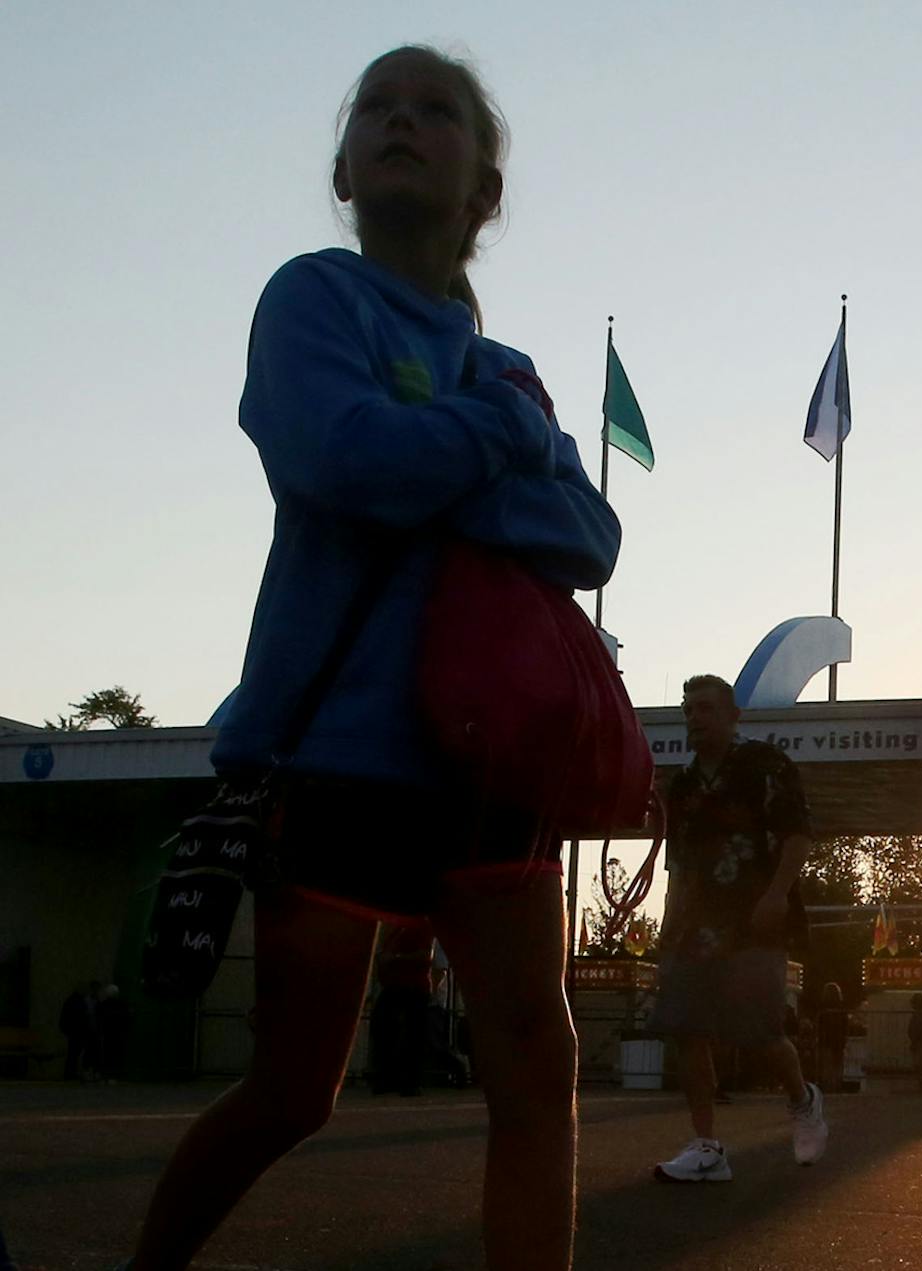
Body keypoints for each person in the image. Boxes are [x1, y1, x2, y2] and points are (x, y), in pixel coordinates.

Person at [127, 46, 618, 1271]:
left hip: (490, 759)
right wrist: (492, 443)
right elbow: (335, 460)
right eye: (378, 109)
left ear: (485, 190)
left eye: (436, 111)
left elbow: (590, 533)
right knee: (295, 1088)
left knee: (536, 1067)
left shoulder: (510, 368)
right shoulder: (316, 300)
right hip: (335, 751)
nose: (403, 121)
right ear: (345, 170)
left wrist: (430, 455)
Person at [650, 675, 829, 1182]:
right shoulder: (683, 785)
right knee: (686, 1027)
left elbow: (797, 835)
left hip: (754, 919)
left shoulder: (764, 764)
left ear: (733, 716)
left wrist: (776, 894)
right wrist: (669, 922)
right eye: (688, 710)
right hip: (697, 923)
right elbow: (679, 862)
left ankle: (802, 1099)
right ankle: (707, 1146)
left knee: (759, 1031)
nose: (694, 718)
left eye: (706, 709)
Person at [368, 923, 436, 1096]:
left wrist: (394, 958)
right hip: (395, 986)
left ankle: (409, 1081)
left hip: (412, 987)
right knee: (385, 1028)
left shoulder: (420, 927)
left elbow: (425, 955)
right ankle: (390, 1078)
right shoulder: (397, 931)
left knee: (413, 1034)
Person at [59, 980, 99, 1082]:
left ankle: (70, 1073)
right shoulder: (79, 1002)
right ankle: (71, 1074)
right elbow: (80, 1017)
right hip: (77, 1031)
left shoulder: (74, 1001)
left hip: (75, 1031)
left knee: (73, 1053)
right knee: (74, 1053)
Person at [815, 982, 850, 1093]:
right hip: (838, 1040)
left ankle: (827, 1086)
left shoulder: (823, 1009)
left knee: (827, 1065)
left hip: (826, 1040)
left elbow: (820, 1025)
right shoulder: (841, 1009)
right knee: (837, 1064)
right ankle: (837, 1085)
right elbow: (845, 1025)